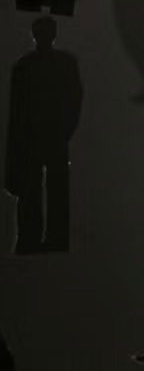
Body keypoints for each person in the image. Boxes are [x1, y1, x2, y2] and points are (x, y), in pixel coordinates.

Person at [4, 16, 82, 253]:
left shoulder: (24, 66)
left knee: (33, 189)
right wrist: (67, 128)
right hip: (54, 134)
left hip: (35, 136)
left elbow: (16, 112)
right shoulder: (65, 63)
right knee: (55, 188)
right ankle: (54, 237)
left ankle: (31, 237)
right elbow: (75, 99)